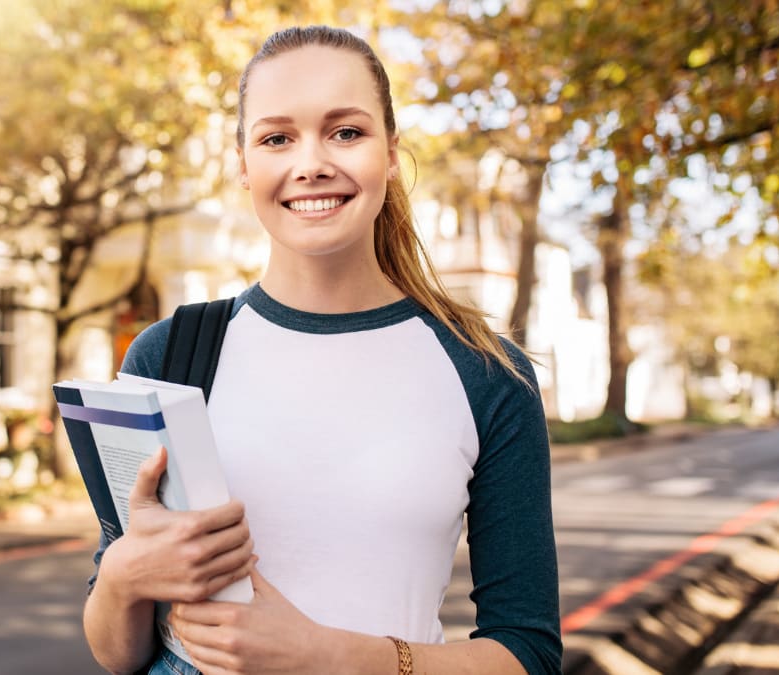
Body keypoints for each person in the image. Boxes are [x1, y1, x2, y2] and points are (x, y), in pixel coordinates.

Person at [83, 25, 561, 675]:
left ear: (390, 154)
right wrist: (121, 573)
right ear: (244, 165)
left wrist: (323, 653)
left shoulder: (485, 372)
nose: (311, 162)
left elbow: (528, 652)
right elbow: (119, 654)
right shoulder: (167, 355)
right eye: (277, 138)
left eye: (346, 132)